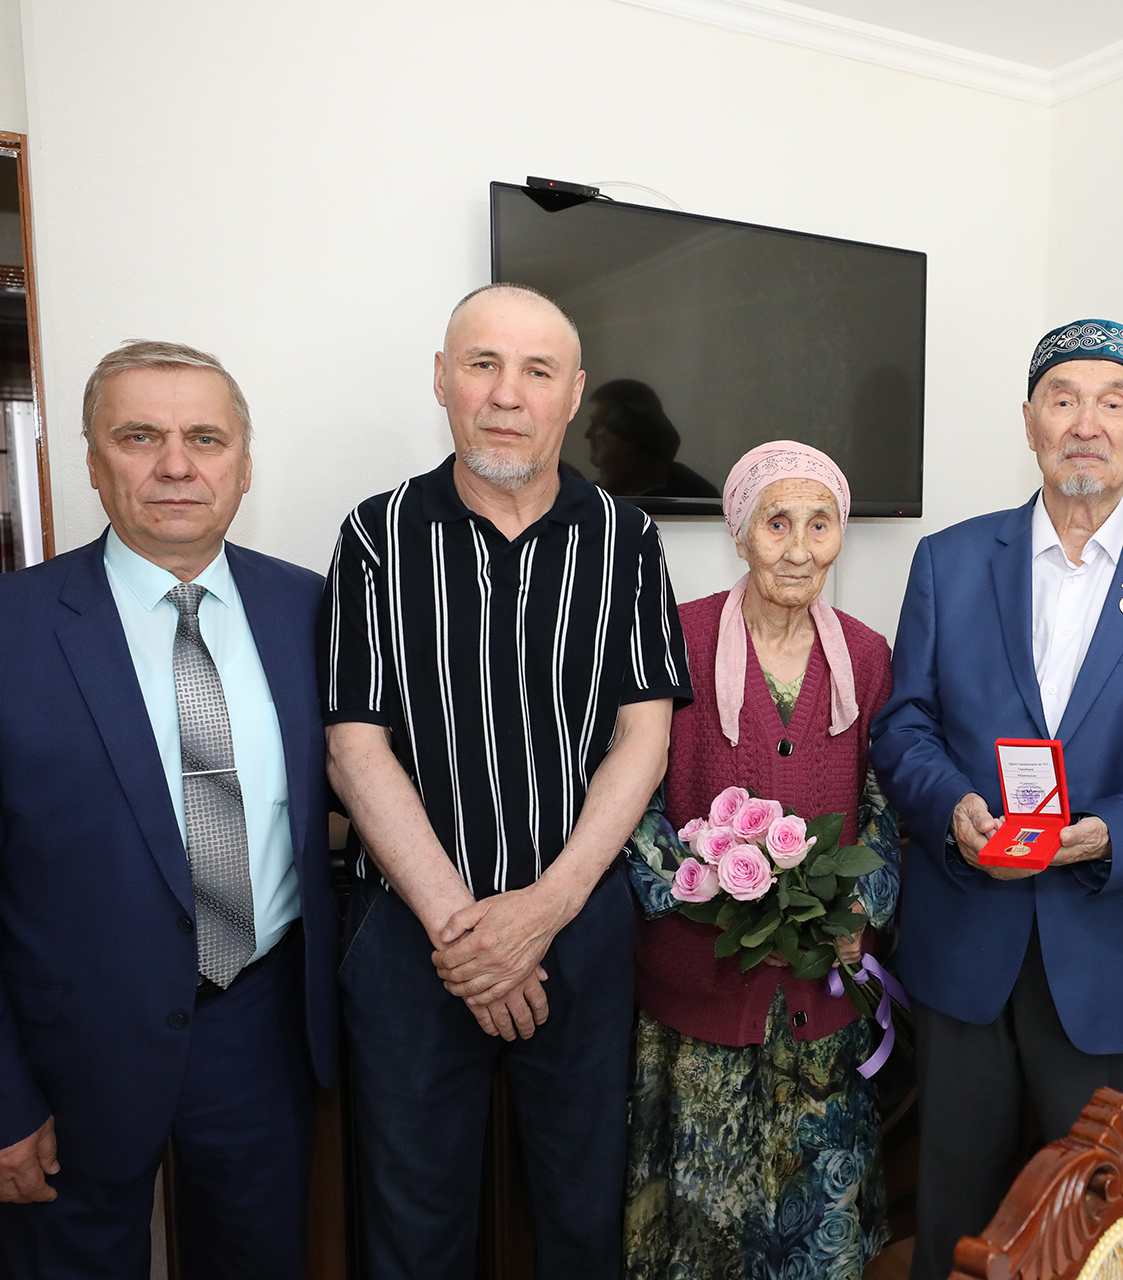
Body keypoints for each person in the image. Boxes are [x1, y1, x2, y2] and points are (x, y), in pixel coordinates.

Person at [0, 340, 338, 1278]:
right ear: (91, 462)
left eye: (205, 438)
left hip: (260, 1027)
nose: (176, 464)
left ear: (243, 464)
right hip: (66, 1049)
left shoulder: (317, 613)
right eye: (139, 437)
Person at [321, 283, 691, 1280]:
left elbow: (644, 737)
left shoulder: (628, 537)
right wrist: (469, 935)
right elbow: (354, 748)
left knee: (583, 1215)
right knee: (413, 1226)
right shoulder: (375, 535)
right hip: (411, 938)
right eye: (482, 364)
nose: (506, 393)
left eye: (537, 371)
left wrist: (542, 910)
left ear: (572, 394)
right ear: (443, 380)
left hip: (579, 931)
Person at [870, 319, 1123, 1280]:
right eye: (1063, 399)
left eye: (1113, 401)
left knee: (1107, 1229)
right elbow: (904, 725)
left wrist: (1114, 831)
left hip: (1111, 949)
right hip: (966, 945)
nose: (1087, 423)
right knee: (954, 1217)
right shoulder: (950, 560)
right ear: (1029, 421)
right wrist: (950, 806)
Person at [622, 441, 900, 1279]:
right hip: (699, 1000)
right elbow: (630, 803)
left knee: (815, 1241)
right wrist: (714, 899)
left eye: (821, 524)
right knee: (704, 1240)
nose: (800, 548)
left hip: (822, 1011)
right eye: (778, 523)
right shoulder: (675, 639)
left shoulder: (868, 656)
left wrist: (856, 910)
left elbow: (886, 807)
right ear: (740, 531)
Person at [583, 377, 720, 498]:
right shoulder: (591, 498)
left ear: (631, 452)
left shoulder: (694, 508)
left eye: (598, 424)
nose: (588, 434)